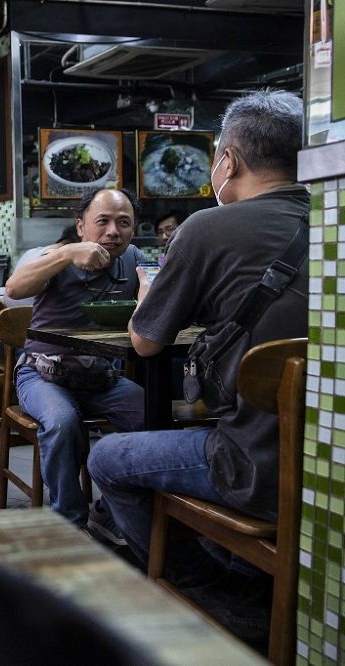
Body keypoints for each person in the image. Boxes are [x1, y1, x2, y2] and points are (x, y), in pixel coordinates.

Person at [86, 90, 308, 639]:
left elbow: (144, 343)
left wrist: (147, 294)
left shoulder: (207, 226)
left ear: (227, 161)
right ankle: (245, 571)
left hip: (254, 469)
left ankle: (198, 585)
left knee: (109, 458)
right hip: (323, 472)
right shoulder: (334, 221)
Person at [4, 188, 147, 530]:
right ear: (81, 226)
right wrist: (67, 254)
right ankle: (68, 524)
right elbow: (13, 289)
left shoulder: (133, 259)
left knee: (152, 414)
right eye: (103, 221)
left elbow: (162, 287)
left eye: (124, 223)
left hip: (102, 380)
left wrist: (149, 289)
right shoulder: (53, 255)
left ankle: (115, 513)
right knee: (62, 422)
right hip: (41, 375)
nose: (113, 231)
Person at [3, 223, 81, 308]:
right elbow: (12, 289)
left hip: (9, 316)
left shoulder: (31, 252)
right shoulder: (55, 260)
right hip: (28, 317)